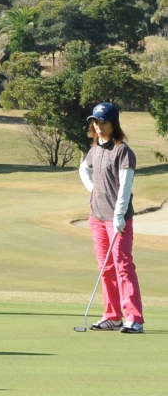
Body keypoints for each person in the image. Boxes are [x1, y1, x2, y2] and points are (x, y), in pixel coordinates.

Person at [79, 102, 144, 333]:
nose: (98, 127)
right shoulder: (95, 149)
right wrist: (93, 190)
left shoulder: (122, 151)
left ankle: (134, 318)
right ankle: (112, 315)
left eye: (102, 122)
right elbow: (83, 169)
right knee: (105, 267)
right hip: (96, 216)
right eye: (95, 122)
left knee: (123, 266)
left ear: (113, 124)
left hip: (118, 220)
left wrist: (119, 216)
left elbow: (125, 187)